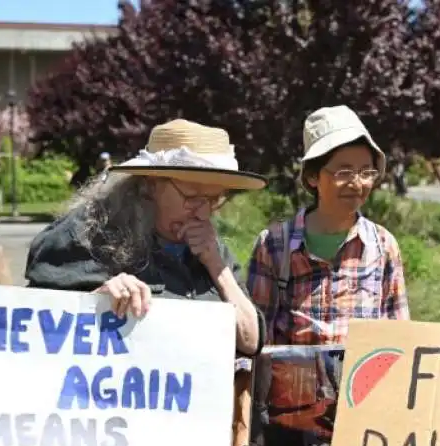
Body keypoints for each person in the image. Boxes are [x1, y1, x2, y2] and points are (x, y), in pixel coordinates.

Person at [232, 105, 410, 446]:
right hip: (293, 431)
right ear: (313, 177)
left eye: (366, 171)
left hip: (364, 428)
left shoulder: (383, 246)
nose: (357, 183)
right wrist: (243, 433)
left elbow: (400, 343)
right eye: (343, 171)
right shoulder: (274, 245)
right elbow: (251, 350)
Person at [25, 118, 267, 359]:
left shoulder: (213, 249)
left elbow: (250, 341)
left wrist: (217, 268)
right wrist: (96, 301)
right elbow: (33, 326)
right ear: (150, 185)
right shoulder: (87, 235)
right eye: (192, 197)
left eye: (214, 200)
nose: (204, 213)